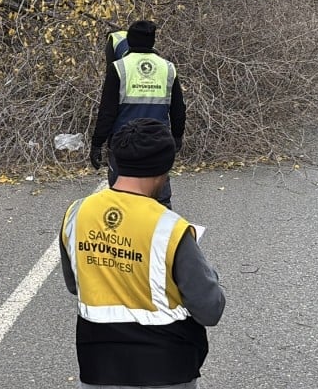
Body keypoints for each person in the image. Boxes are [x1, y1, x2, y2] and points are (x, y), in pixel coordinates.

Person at [61, 119, 225, 389]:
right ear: (164, 169)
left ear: (115, 163)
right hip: (167, 369)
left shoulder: (77, 213)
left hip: (98, 365)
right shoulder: (170, 229)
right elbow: (210, 310)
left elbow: (73, 284)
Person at [91, 20, 185, 208]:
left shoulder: (119, 67)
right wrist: (177, 137)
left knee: (122, 198)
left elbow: (107, 112)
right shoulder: (167, 68)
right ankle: (161, 235)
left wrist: (97, 143)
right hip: (158, 142)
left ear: (130, 41)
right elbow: (178, 109)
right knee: (161, 200)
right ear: (153, 41)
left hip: (124, 143)